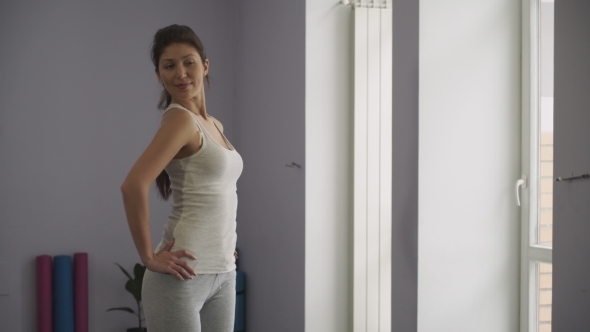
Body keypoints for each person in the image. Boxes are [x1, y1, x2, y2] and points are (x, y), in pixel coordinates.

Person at [120, 24, 243, 332]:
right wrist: (148, 256)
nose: (181, 73)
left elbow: (217, 194)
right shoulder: (180, 120)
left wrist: (222, 243)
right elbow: (133, 185)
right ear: (159, 74)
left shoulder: (212, 124)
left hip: (223, 271)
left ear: (205, 65)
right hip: (181, 277)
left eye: (188, 62)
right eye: (169, 65)